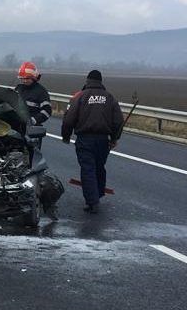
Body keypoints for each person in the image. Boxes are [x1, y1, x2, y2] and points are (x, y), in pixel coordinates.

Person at [61, 69, 124, 213]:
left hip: (85, 139)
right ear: (101, 81)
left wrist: (66, 136)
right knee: (99, 167)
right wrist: (114, 138)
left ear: (87, 81)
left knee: (88, 169)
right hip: (103, 140)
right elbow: (118, 121)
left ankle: (92, 202)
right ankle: (99, 194)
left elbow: (69, 119)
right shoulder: (110, 98)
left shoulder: (80, 97)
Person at [15, 61, 52, 127]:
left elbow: (47, 111)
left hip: (31, 128)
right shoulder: (19, 88)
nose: (25, 81)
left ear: (34, 78)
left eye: (27, 78)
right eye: (22, 78)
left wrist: (33, 120)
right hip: (16, 125)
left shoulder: (41, 92)